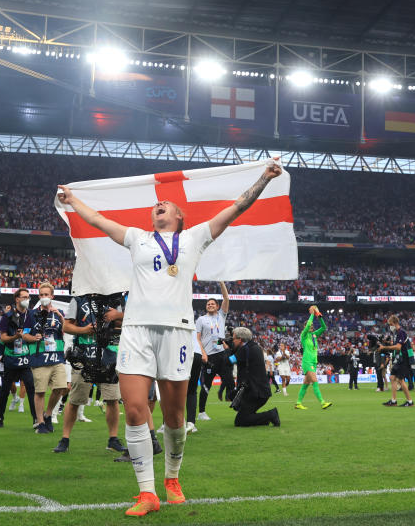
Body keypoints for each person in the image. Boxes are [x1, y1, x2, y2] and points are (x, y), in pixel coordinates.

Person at [57, 159, 282, 516]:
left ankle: (172, 477)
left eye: (166, 206)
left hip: (177, 333)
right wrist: (72, 200)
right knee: (135, 410)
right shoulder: (136, 238)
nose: (157, 206)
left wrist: (264, 179)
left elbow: (236, 207)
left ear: (179, 216)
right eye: (155, 206)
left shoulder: (195, 238)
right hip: (136, 331)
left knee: (175, 416)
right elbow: (100, 221)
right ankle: (147, 492)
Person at [53, 293, 127, 454]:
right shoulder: (78, 300)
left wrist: (118, 315)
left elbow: (124, 323)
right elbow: (66, 327)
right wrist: (84, 330)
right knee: (74, 400)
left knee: (113, 399)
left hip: (108, 356)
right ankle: (65, 439)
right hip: (83, 356)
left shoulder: (114, 299)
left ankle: (113, 439)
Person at [25, 282, 68, 433]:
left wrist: (61, 317)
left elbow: (66, 330)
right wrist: (33, 337)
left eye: (46, 295)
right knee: (40, 391)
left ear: (52, 296)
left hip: (57, 356)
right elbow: (24, 334)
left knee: (61, 388)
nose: (44, 297)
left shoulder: (59, 312)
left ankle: (48, 414)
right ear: (39, 296)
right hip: (39, 358)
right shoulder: (30, 314)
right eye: (41, 295)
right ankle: (41, 422)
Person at [0, 289, 37, 428]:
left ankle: (36, 420)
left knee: (31, 388)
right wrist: (16, 337)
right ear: (17, 299)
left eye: (28, 297)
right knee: (5, 391)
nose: (27, 299)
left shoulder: (31, 314)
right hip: (11, 359)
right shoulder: (8, 316)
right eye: (24, 297)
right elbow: (3, 337)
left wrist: (30, 338)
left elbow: (33, 337)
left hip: (25, 359)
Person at [195, 282, 233, 421]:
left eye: (213, 304)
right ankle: (201, 413)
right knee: (206, 385)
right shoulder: (201, 320)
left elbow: (226, 298)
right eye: (208, 304)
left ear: (217, 306)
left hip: (222, 355)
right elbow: (198, 339)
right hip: (209, 357)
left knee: (230, 382)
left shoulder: (221, 316)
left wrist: (221, 283)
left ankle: (235, 403)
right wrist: (203, 353)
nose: (210, 305)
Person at [229, 327, 280, 427]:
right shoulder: (254, 347)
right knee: (243, 413)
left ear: (240, 339)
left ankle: (271, 415)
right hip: (259, 391)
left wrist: (226, 349)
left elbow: (229, 361)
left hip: (256, 393)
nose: (232, 341)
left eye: (233, 338)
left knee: (241, 420)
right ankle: (262, 420)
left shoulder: (245, 349)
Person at [294, 305, 333, 410]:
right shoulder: (304, 335)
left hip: (313, 362)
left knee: (306, 384)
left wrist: (318, 316)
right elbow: (306, 328)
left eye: (311, 325)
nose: (311, 326)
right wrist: (311, 314)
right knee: (315, 382)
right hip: (307, 362)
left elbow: (324, 327)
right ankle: (322, 402)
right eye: (308, 325)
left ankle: (298, 403)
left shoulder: (314, 335)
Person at [378, 315, 415, 408]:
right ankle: (393, 401)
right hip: (398, 359)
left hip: (404, 359)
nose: (390, 326)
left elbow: (398, 347)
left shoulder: (401, 332)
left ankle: (410, 402)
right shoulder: (396, 333)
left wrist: (384, 347)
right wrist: (385, 343)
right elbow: (395, 344)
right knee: (392, 378)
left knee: (400, 380)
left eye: (390, 324)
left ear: (394, 323)